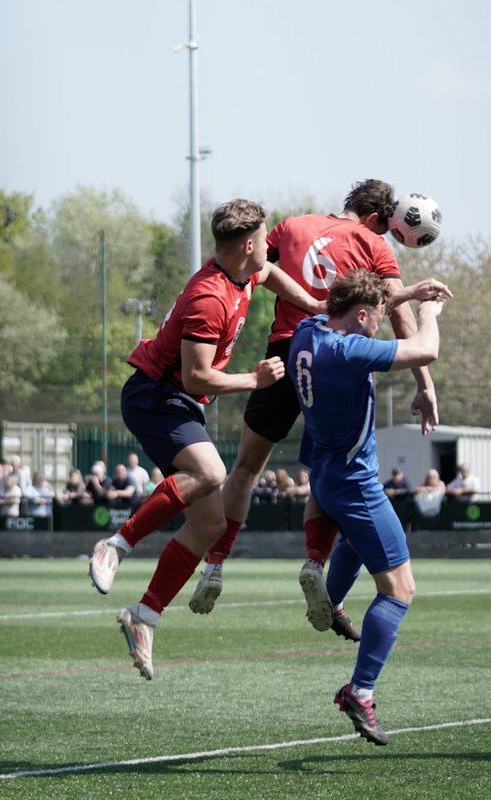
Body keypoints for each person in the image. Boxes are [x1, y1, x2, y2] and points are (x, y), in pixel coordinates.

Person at [86, 198, 324, 680]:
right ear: (250, 245)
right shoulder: (209, 297)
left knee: (211, 522)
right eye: (266, 242)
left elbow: (272, 276)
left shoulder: (242, 271)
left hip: (176, 401)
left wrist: (315, 305)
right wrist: (254, 381)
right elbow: (196, 379)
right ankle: (115, 544)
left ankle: (144, 615)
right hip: (155, 397)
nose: (271, 250)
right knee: (211, 471)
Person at [190, 179, 451, 618]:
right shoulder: (373, 243)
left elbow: (248, 265)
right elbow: (402, 323)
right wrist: (424, 386)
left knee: (247, 468)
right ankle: (315, 561)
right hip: (335, 360)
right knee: (328, 468)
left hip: (285, 351)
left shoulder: (292, 225)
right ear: (376, 219)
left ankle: (214, 565)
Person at [290, 267, 445, 744]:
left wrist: (405, 291)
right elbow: (426, 349)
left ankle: (331, 601)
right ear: (360, 316)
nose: (380, 324)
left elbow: (352, 304)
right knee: (399, 590)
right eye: (377, 317)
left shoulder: (306, 332)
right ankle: (360, 690)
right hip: (356, 484)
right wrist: (427, 310)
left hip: (326, 475)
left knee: (359, 547)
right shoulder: (350, 350)